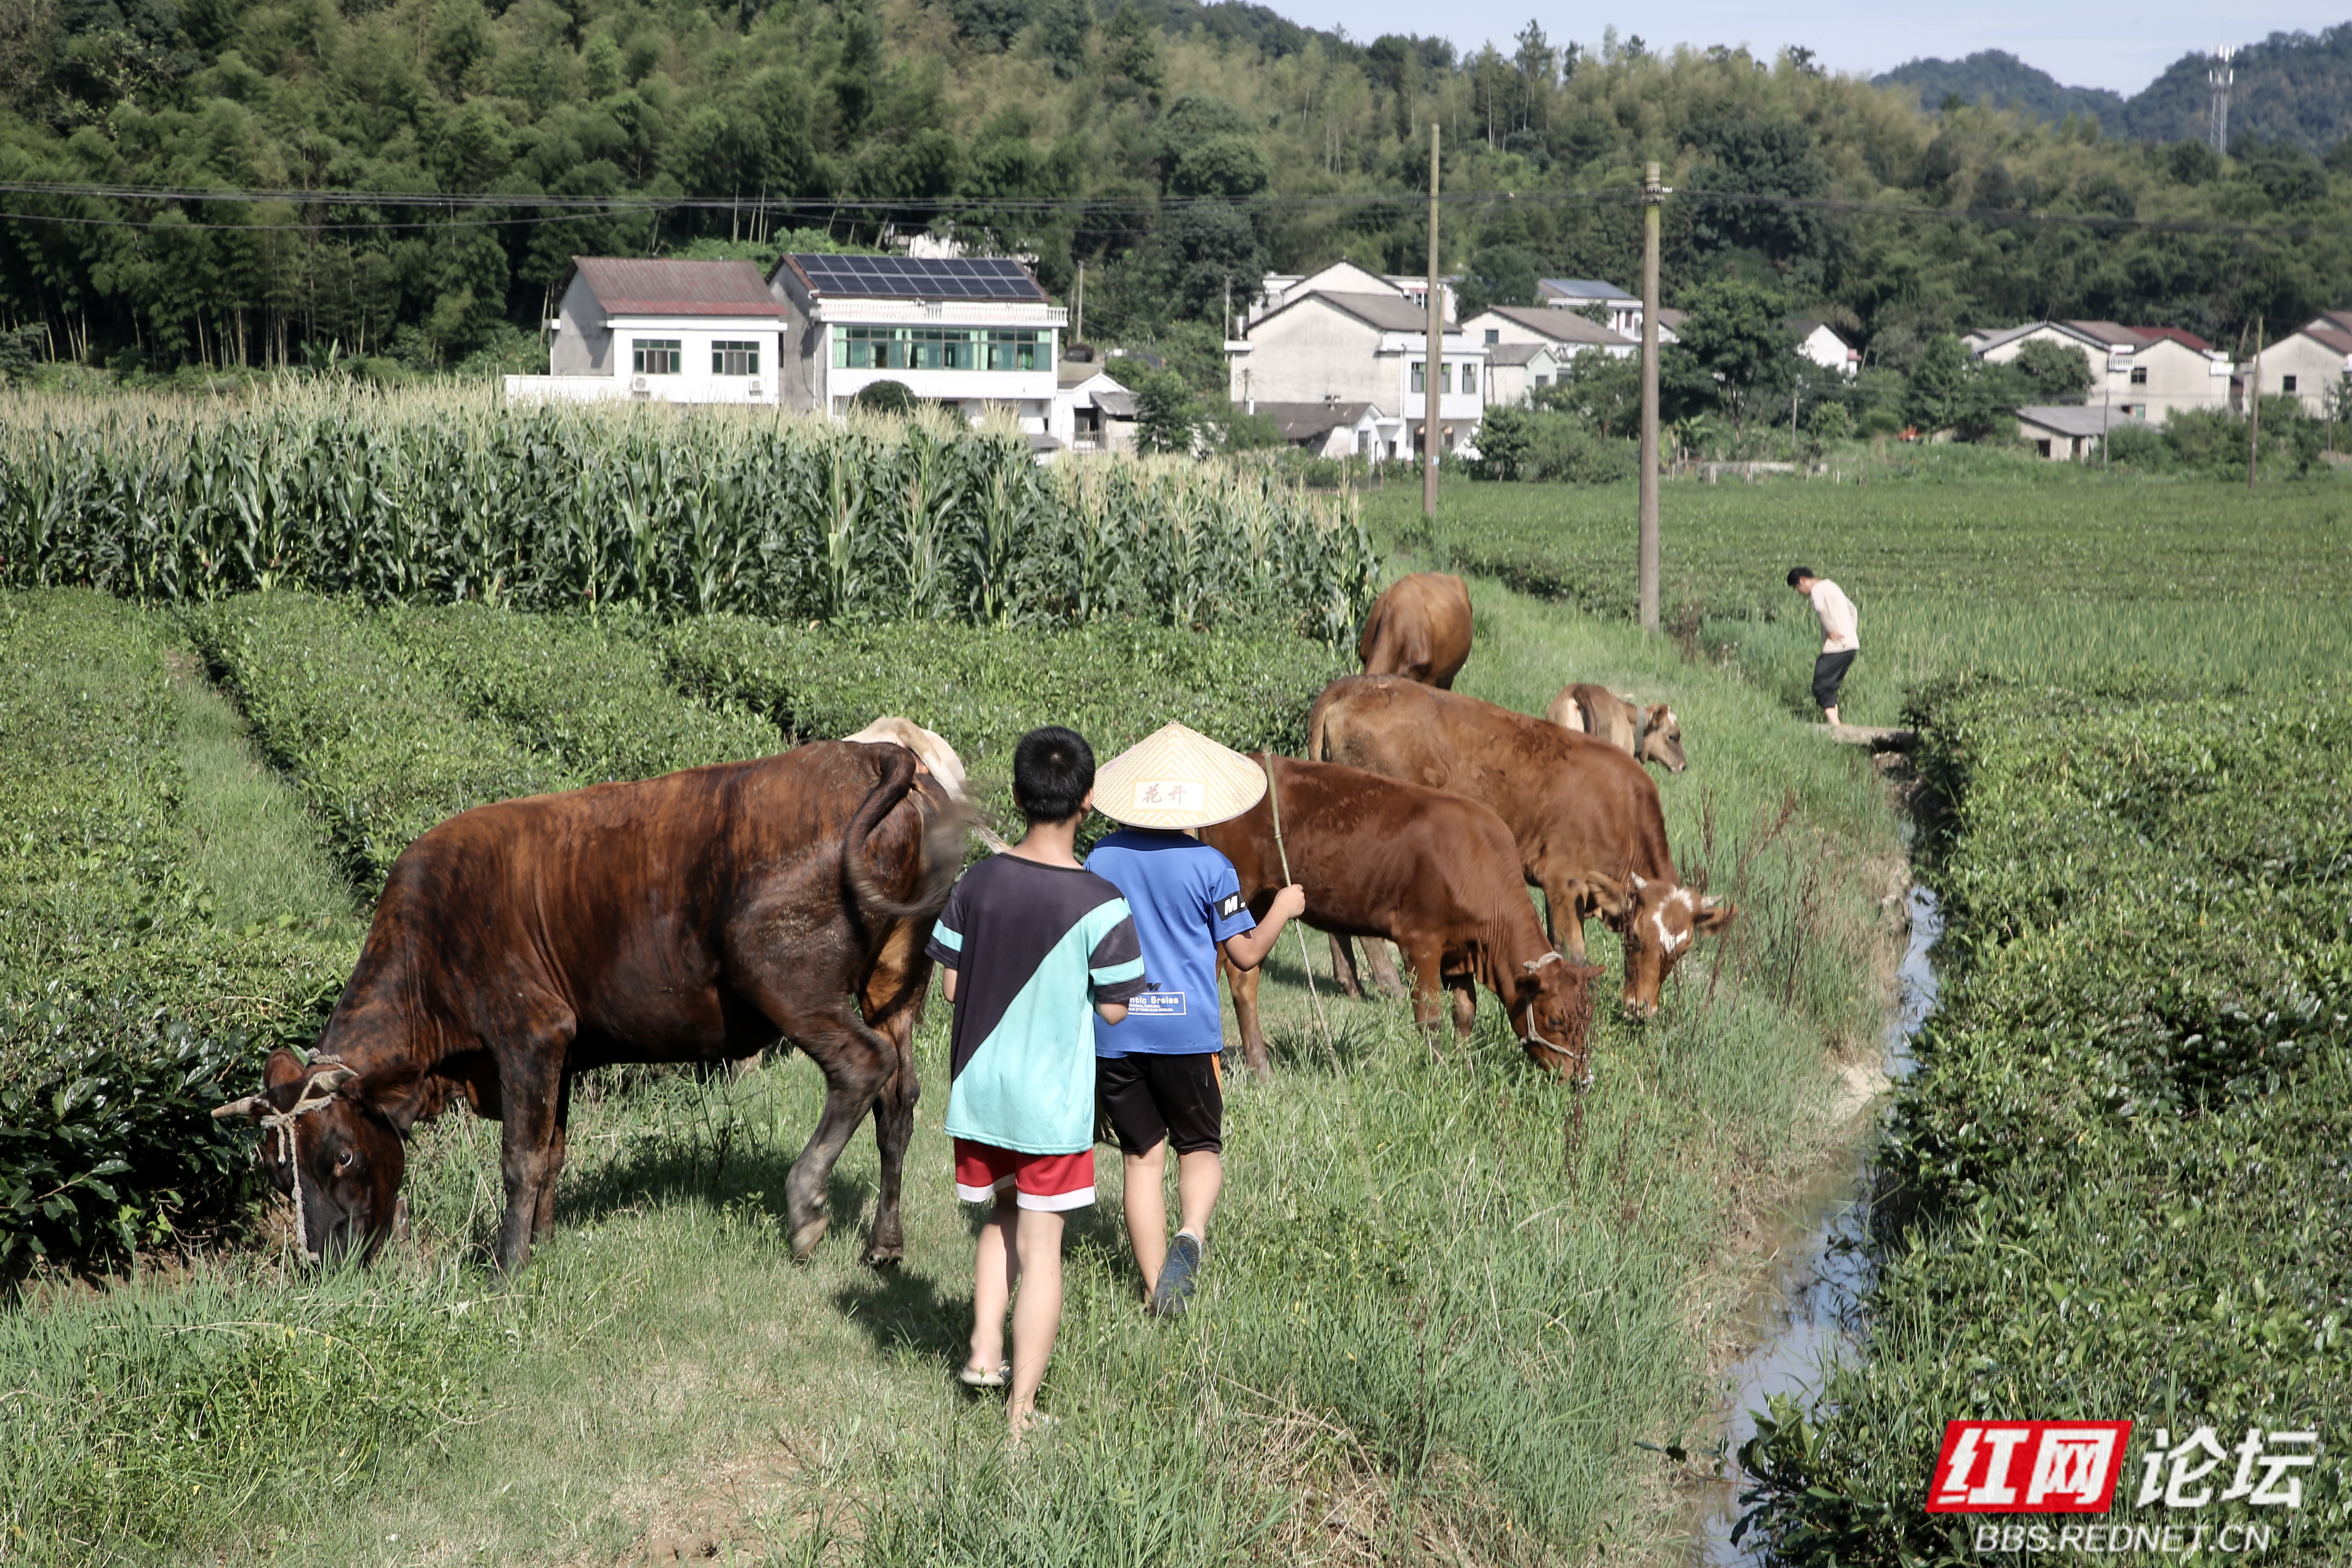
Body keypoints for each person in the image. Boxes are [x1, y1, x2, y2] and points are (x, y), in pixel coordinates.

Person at [928, 725, 1149, 1437]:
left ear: (1021, 796)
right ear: (1089, 801)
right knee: (1043, 1248)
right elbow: (1115, 1007)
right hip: (1051, 1108)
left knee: (1000, 1217)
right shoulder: (1103, 902)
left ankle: (985, 1349)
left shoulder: (975, 883)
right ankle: (1021, 1416)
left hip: (980, 1094)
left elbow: (952, 989)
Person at [1083, 723, 1307, 1318]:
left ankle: (1158, 1289)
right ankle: (1192, 1236)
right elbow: (1246, 954)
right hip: (1186, 1034)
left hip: (1116, 1032)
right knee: (1201, 1148)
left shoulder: (1100, 856)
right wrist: (1283, 907)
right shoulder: (1214, 866)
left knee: (1140, 1158)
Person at [1788, 566, 1860, 726]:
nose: (1799, 592)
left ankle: (1836, 726)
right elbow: (1853, 610)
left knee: (1820, 687)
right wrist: (1850, 633)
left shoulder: (1817, 590)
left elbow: (1820, 609)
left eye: (1797, 588)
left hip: (1836, 648)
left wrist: (1832, 630)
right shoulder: (1832, 586)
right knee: (1829, 687)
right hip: (1851, 646)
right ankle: (1836, 723)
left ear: (1802, 581)